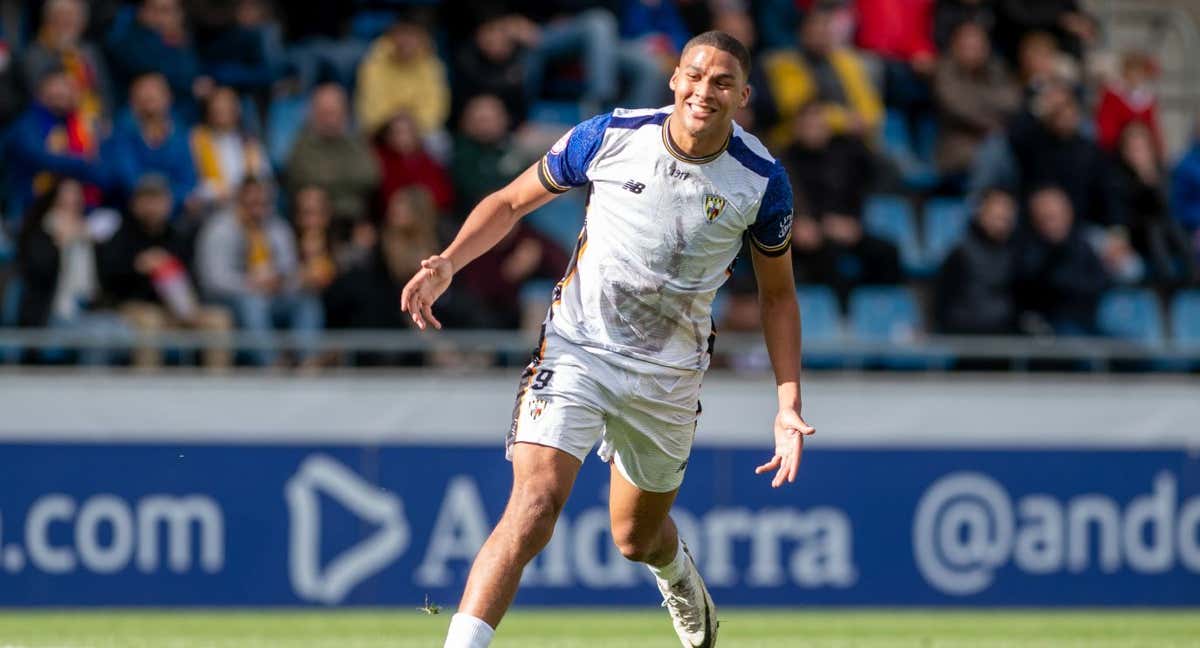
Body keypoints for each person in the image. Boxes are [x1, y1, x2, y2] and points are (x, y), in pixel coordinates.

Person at [402, 31, 814, 648]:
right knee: (535, 505)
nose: (705, 90)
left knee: (634, 538)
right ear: (674, 79)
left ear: (744, 95)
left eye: (722, 81)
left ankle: (675, 571)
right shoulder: (612, 136)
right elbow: (511, 202)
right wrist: (449, 263)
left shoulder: (761, 182)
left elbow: (779, 297)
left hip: (668, 376)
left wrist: (787, 404)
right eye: (695, 76)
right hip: (577, 350)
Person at [98, 173, 232, 369]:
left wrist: (187, 305)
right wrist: (138, 266)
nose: (153, 206)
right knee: (150, 322)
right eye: (147, 199)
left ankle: (219, 389)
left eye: (158, 199)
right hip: (134, 305)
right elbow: (108, 279)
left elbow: (192, 278)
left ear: (168, 203)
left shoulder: (177, 236)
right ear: (136, 203)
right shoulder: (122, 235)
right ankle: (147, 388)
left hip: (177, 308)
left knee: (218, 320)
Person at [196, 176, 322, 367]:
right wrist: (250, 284)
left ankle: (308, 362)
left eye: (264, 203)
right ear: (239, 200)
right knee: (252, 304)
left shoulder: (278, 228)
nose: (258, 209)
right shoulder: (220, 229)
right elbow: (214, 280)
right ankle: (272, 365)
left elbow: (290, 270)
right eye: (252, 203)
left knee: (307, 302)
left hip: (271, 295)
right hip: (229, 297)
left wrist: (282, 281)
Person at [285, 83, 381, 228]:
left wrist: (331, 179)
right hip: (318, 222)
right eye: (324, 113)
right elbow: (308, 178)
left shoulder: (356, 143)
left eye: (335, 112)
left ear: (345, 114)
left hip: (357, 220)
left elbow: (370, 175)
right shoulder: (301, 145)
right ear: (313, 114)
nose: (330, 120)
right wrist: (348, 181)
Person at [105, 72, 198, 213]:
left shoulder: (180, 132)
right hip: (130, 208)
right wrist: (151, 200)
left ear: (168, 98)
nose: (149, 102)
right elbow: (127, 177)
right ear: (133, 102)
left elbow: (188, 180)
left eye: (154, 96)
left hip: (173, 209)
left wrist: (169, 201)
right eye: (144, 98)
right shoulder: (122, 130)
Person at [935, 187, 1019, 334]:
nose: (1001, 222)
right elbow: (943, 301)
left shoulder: (1018, 253)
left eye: (1006, 217)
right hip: (966, 338)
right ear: (981, 213)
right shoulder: (959, 254)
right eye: (996, 216)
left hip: (1006, 337)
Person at [189, 86, 273, 212]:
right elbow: (193, 185)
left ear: (237, 110)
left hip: (248, 210)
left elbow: (265, 179)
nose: (222, 109)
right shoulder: (197, 139)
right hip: (212, 210)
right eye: (217, 105)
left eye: (227, 104)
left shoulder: (249, 143)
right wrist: (218, 193)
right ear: (209, 109)